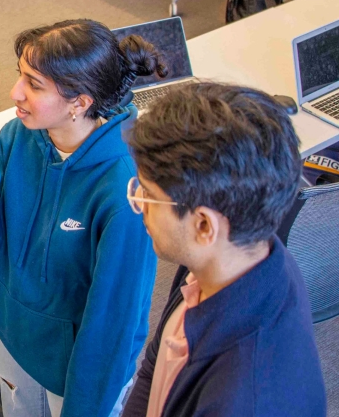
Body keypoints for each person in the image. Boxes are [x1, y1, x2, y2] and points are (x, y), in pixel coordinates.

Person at [0, 20, 162, 417]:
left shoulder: (125, 190)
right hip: (13, 335)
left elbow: (113, 325)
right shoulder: (19, 135)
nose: (15, 94)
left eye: (34, 84)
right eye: (20, 77)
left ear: (80, 102)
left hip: (78, 374)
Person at [121, 82, 327, 417]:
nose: (139, 204)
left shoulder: (246, 398)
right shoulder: (228, 258)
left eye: (148, 195)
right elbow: (153, 368)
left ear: (204, 225)